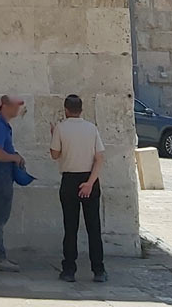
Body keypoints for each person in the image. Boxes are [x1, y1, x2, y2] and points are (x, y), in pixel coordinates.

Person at [49, 93, 107, 284]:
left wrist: (53, 136)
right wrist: (90, 183)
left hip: (70, 180)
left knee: (70, 227)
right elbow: (100, 158)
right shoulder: (92, 129)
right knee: (94, 227)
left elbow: (55, 155)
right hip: (90, 178)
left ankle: (69, 270)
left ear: (66, 110)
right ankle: (98, 270)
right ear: (82, 110)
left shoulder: (60, 128)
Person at [0, 93, 29, 272]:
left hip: (0, 175)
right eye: (13, 105)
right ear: (3, 105)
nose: (16, 108)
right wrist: (15, 158)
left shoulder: (3, 126)